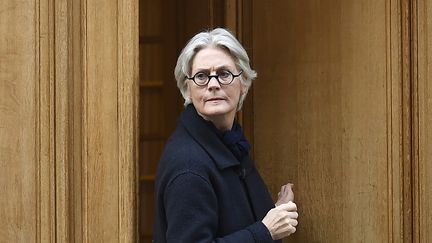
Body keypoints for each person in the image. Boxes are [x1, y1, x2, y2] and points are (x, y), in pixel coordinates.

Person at [154, 28, 298, 243]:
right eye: (201, 76)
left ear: (244, 82)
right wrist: (265, 231)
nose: (213, 84)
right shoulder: (188, 167)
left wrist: (274, 213)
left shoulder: (229, 142)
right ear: (187, 88)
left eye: (224, 74)